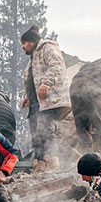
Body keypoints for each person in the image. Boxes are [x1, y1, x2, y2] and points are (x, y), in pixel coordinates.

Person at [20, 25, 70, 171]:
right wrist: (27, 97)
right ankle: (40, 165)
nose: (23, 47)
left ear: (32, 41)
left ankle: (53, 165)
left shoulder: (47, 48)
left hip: (49, 101)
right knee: (36, 134)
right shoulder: (33, 59)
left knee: (47, 131)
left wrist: (46, 83)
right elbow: (31, 80)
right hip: (36, 103)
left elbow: (56, 66)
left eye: (24, 43)